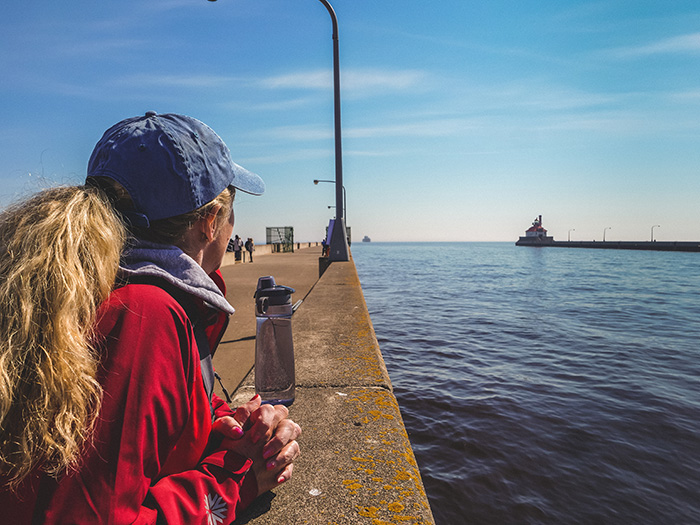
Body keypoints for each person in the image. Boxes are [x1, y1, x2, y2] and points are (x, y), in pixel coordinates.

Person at [0, 112, 301, 524]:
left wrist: (221, 425)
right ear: (208, 224)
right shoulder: (143, 316)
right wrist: (238, 481)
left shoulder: (80, 288)